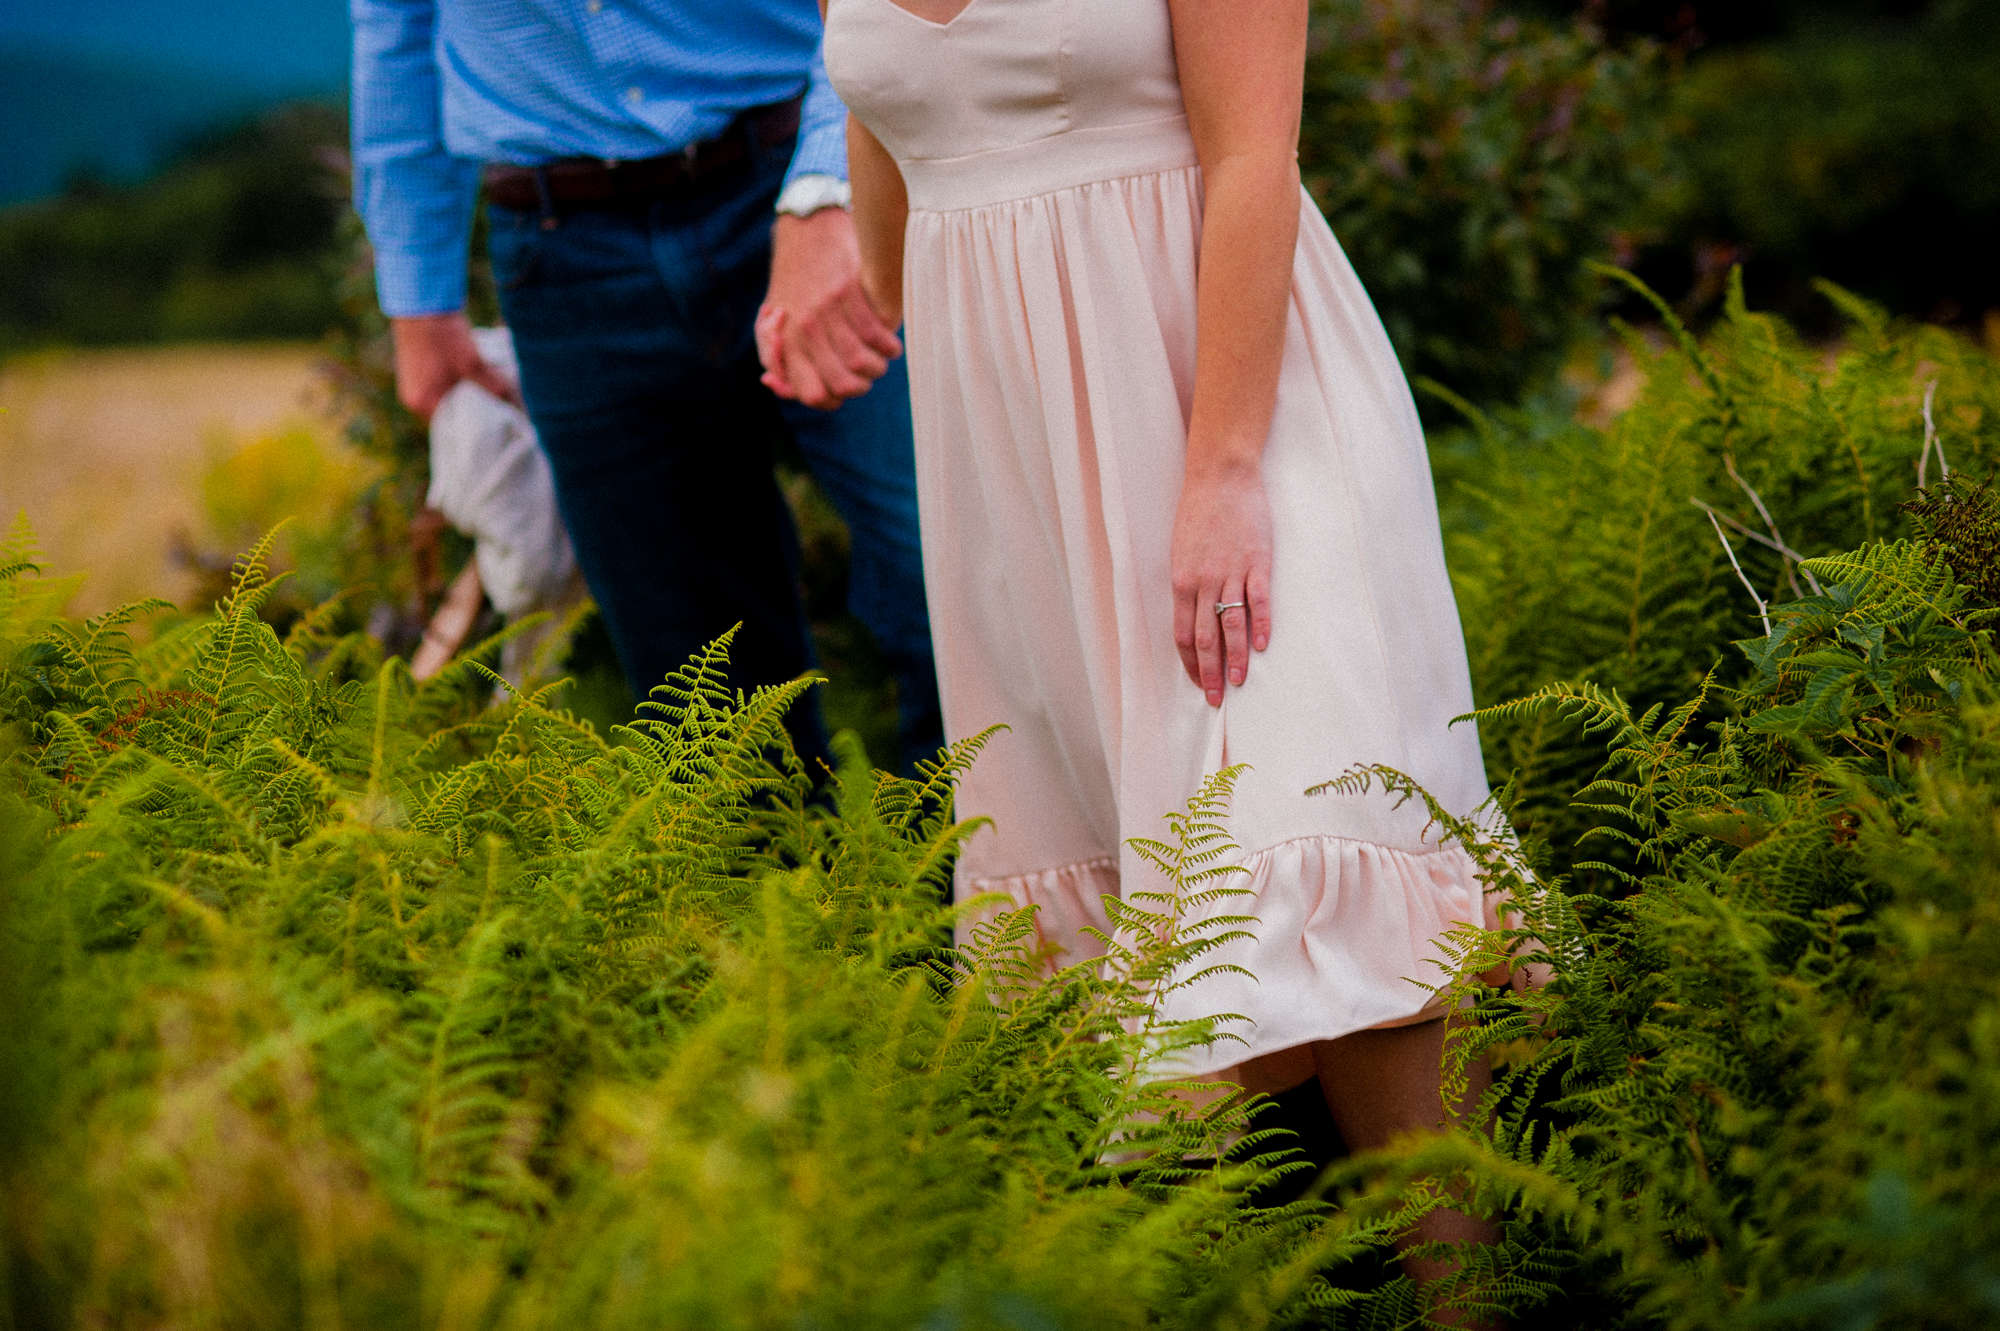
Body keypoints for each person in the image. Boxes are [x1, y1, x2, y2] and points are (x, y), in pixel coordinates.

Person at [811, 0, 1508, 1294]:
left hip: (1238, 411)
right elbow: (894, 193)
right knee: (1147, 912)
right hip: (1023, 486)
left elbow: (1256, 156)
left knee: (1316, 838)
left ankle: (1480, 1309)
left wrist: (1224, 470)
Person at [348, 0, 944, 775]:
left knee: (947, 569)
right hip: (565, 256)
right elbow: (394, 23)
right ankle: (810, 892)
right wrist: (419, 298)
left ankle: (994, 885)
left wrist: (830, 185)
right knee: (705, 699)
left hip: (803, 167)